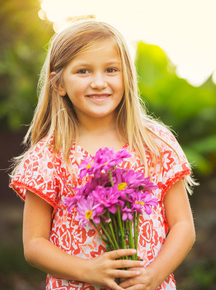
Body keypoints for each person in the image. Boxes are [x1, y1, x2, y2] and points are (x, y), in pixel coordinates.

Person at [10, 19, 196, 290]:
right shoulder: (49, 156)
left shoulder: (155, 143)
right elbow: (34, 245)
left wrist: (154, 275)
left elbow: (183, 227)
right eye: (83, 71)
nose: (99, 82)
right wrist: (89, 270)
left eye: (111, 70)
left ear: (127, 77)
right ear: (58, 83)